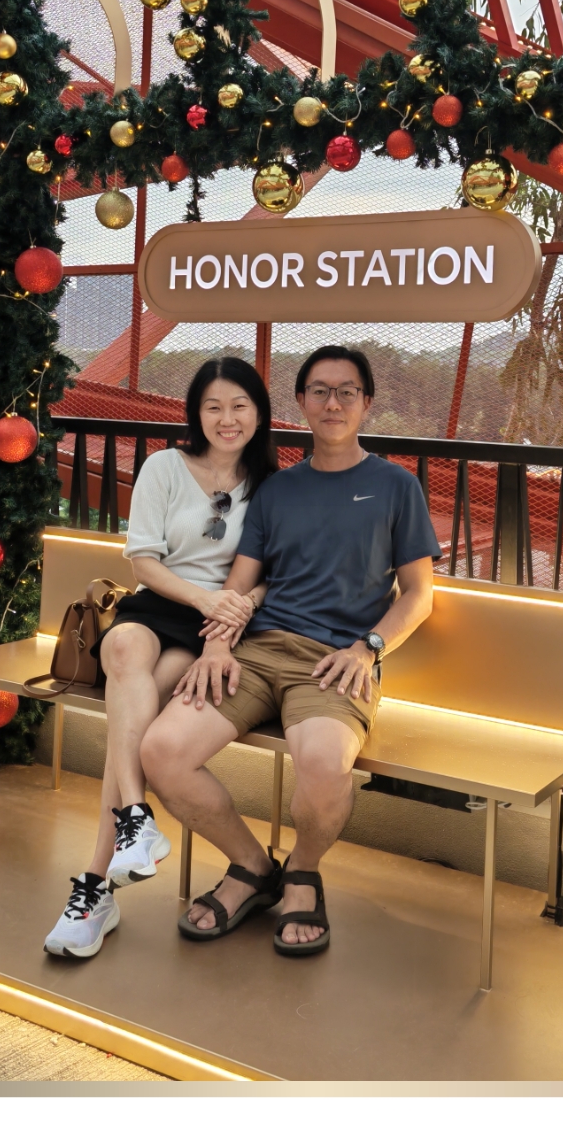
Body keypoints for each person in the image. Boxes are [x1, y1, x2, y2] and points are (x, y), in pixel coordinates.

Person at [140, 345, 438, 958]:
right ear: (300, 401)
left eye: (347, 391)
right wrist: (217, 646)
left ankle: (302, 871)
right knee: (162, 751)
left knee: (326, 765)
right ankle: (252, 867)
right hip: (255, 649)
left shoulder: (396, 486)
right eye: (320, 391)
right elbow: (240, 583)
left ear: (366, 403)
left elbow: (419, 595)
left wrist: (368, 648)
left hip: (334, 661)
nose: (333, 403)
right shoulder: (276, 490)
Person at [43, 356, 276, 958]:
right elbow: (143, 560)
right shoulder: (165, 466)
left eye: (239, 406)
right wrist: (204, 597)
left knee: (134, 719)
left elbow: (273, 574)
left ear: (259, 413)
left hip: (219, 629)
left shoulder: (271, 484)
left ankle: (98, 882)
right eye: (213, 407)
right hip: (165, 602)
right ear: (196, 413)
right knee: (122, 644)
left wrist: (235, 608)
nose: (227, 419)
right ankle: (136, 821)